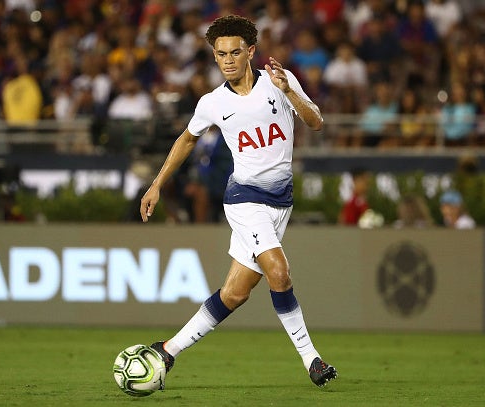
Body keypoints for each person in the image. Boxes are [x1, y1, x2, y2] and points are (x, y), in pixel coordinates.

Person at [139, 15, 337, 388]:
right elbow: (186, 139)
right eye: (219, 54)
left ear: (251, 52)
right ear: (214, 57)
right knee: (279, 272)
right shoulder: (213, 103)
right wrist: (157, 184)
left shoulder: (280, 80)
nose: (227, 60)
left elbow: (316, 122)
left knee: (235, 293)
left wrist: (289, 90)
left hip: (281, 202)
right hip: (244, 198)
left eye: (234, 52)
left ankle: (167, 350)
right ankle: (313, 360)